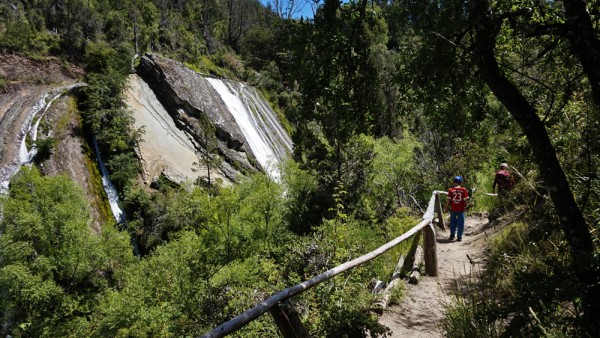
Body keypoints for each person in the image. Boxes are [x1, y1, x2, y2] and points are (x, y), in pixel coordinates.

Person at [445, 176, 469, 242]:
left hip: (453, 208)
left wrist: (446, 208)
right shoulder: (463, 190)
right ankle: (459, 237)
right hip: (461, 209)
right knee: (460, 223)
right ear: (460, 182)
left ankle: (452, 235)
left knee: (453, 222)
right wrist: (465, 206)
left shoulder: (451, 190)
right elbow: (466, 199)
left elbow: (448, 200)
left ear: (454, 181)